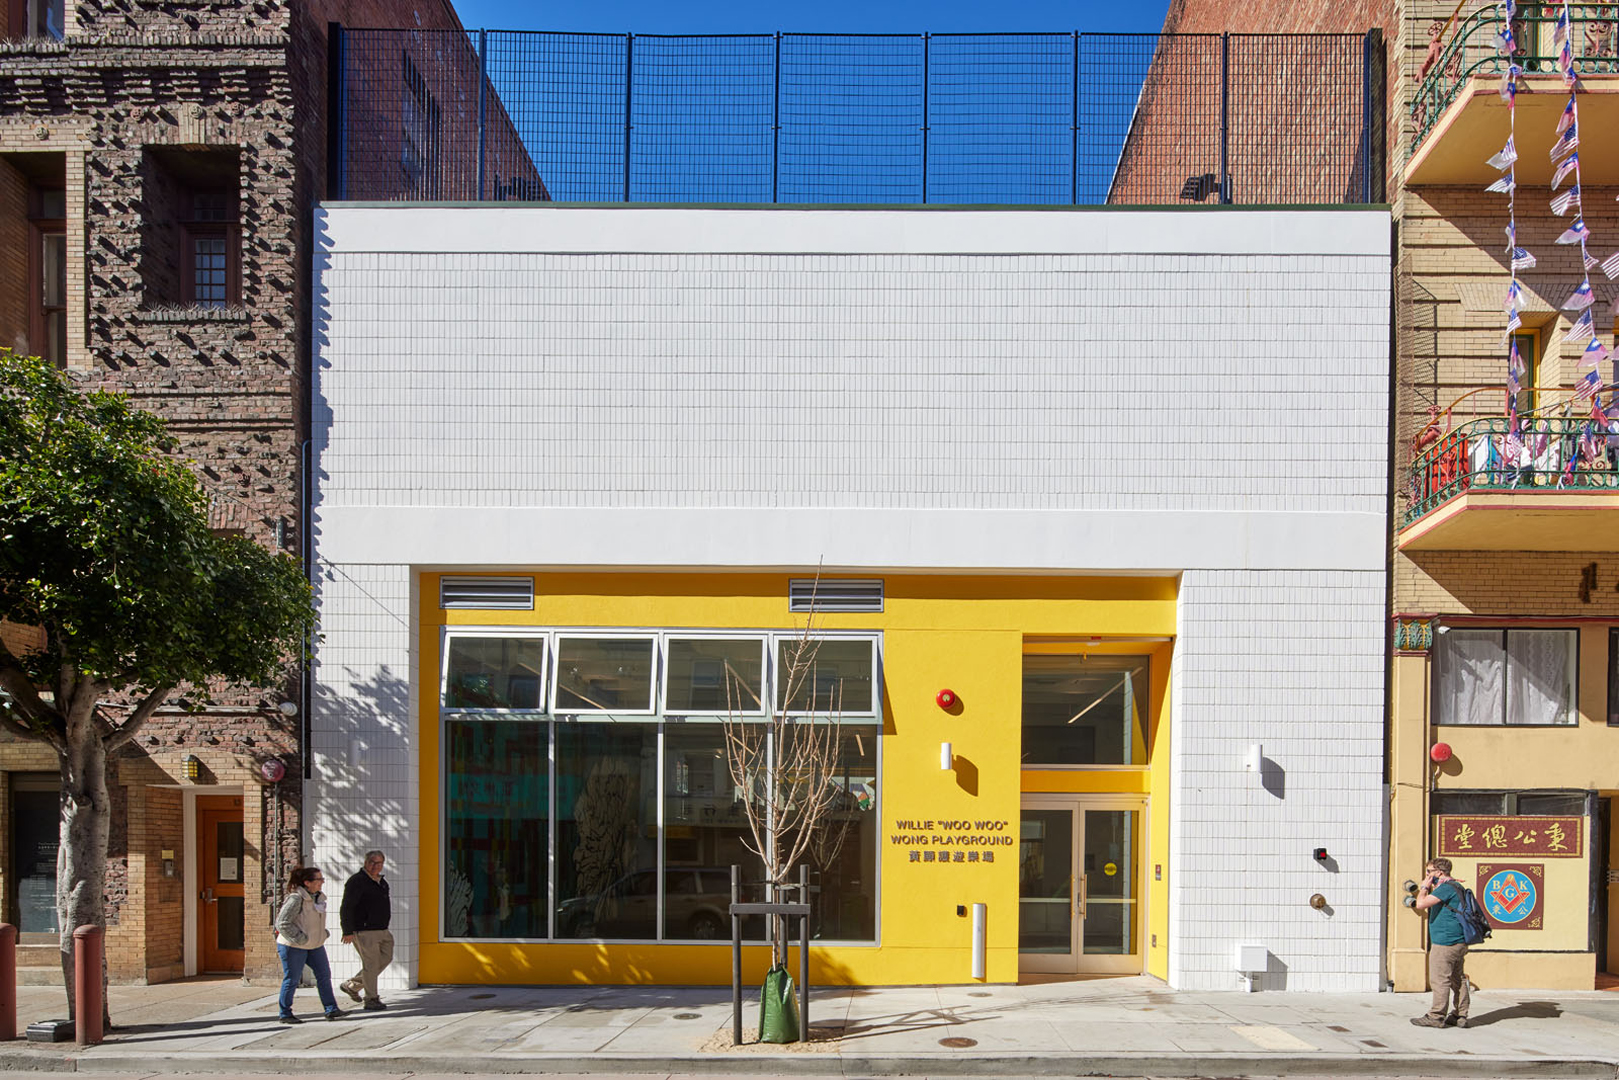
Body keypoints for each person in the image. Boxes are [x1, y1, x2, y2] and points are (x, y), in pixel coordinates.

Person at [275, 866, 343, 1024]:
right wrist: (300, 939)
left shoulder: (318, 897)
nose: (322, 882)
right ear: (307, 882)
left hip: (315, 945)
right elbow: (282, 923)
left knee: (324, 975)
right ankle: (285, 1014)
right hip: (293, 946)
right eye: (319, 879)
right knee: (292, 979)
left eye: (322, 879)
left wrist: (323, 934)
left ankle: (331, 1009)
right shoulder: (296, 899)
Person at [1411, 857, 1469, 1029]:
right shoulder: (1455, 886)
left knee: (1440, 980)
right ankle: (1460, 1015)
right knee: (1458, 979)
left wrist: (1424, 887)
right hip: (1458, 940)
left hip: (1445, 941)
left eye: (1429, 871)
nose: (1427, 875)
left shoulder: (1445, 888)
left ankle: (1436, 1016)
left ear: (1439, 872)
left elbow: (1421, 904)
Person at [339, 850, 394, 1011]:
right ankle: (371, 999)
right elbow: (347, 906)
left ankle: (353, 985)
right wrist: (347, 930)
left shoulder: (382, 882)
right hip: (364, 930)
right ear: (365, 862)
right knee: (371, 964)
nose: (375, 866)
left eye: (379, 863)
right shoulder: (357, 881)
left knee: (386, 958)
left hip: (382, 929)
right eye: (372, 862)